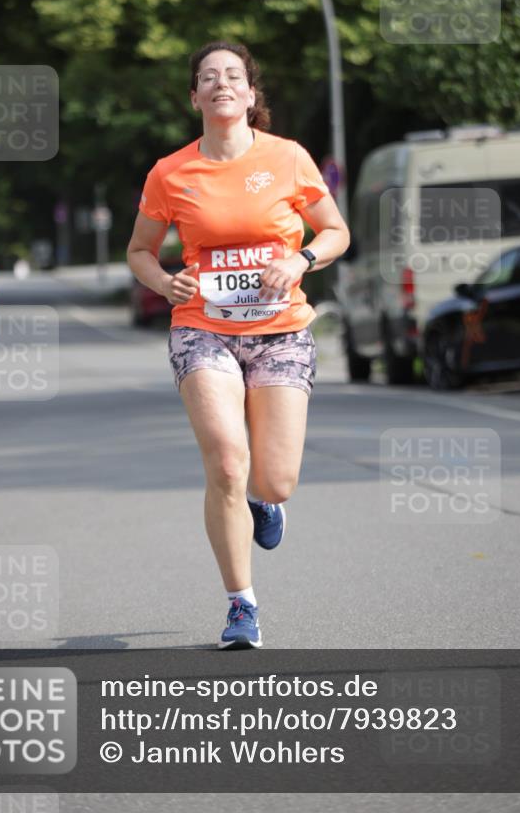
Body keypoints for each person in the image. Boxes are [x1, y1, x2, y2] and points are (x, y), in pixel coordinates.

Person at [127, 41, 350, 648]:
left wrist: (301, 258)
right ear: (194, 97)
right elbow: (140, 250)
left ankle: (265, 500)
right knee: (226, 459)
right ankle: (240, 605)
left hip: (280, 330)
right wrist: (165, 281)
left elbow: (336, 231)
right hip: (203, 325)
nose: (221, 84)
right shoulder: (171, 172)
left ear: (251, 95)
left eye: (233, 76)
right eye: (208, 77)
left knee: (273, 481)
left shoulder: (288, 158)